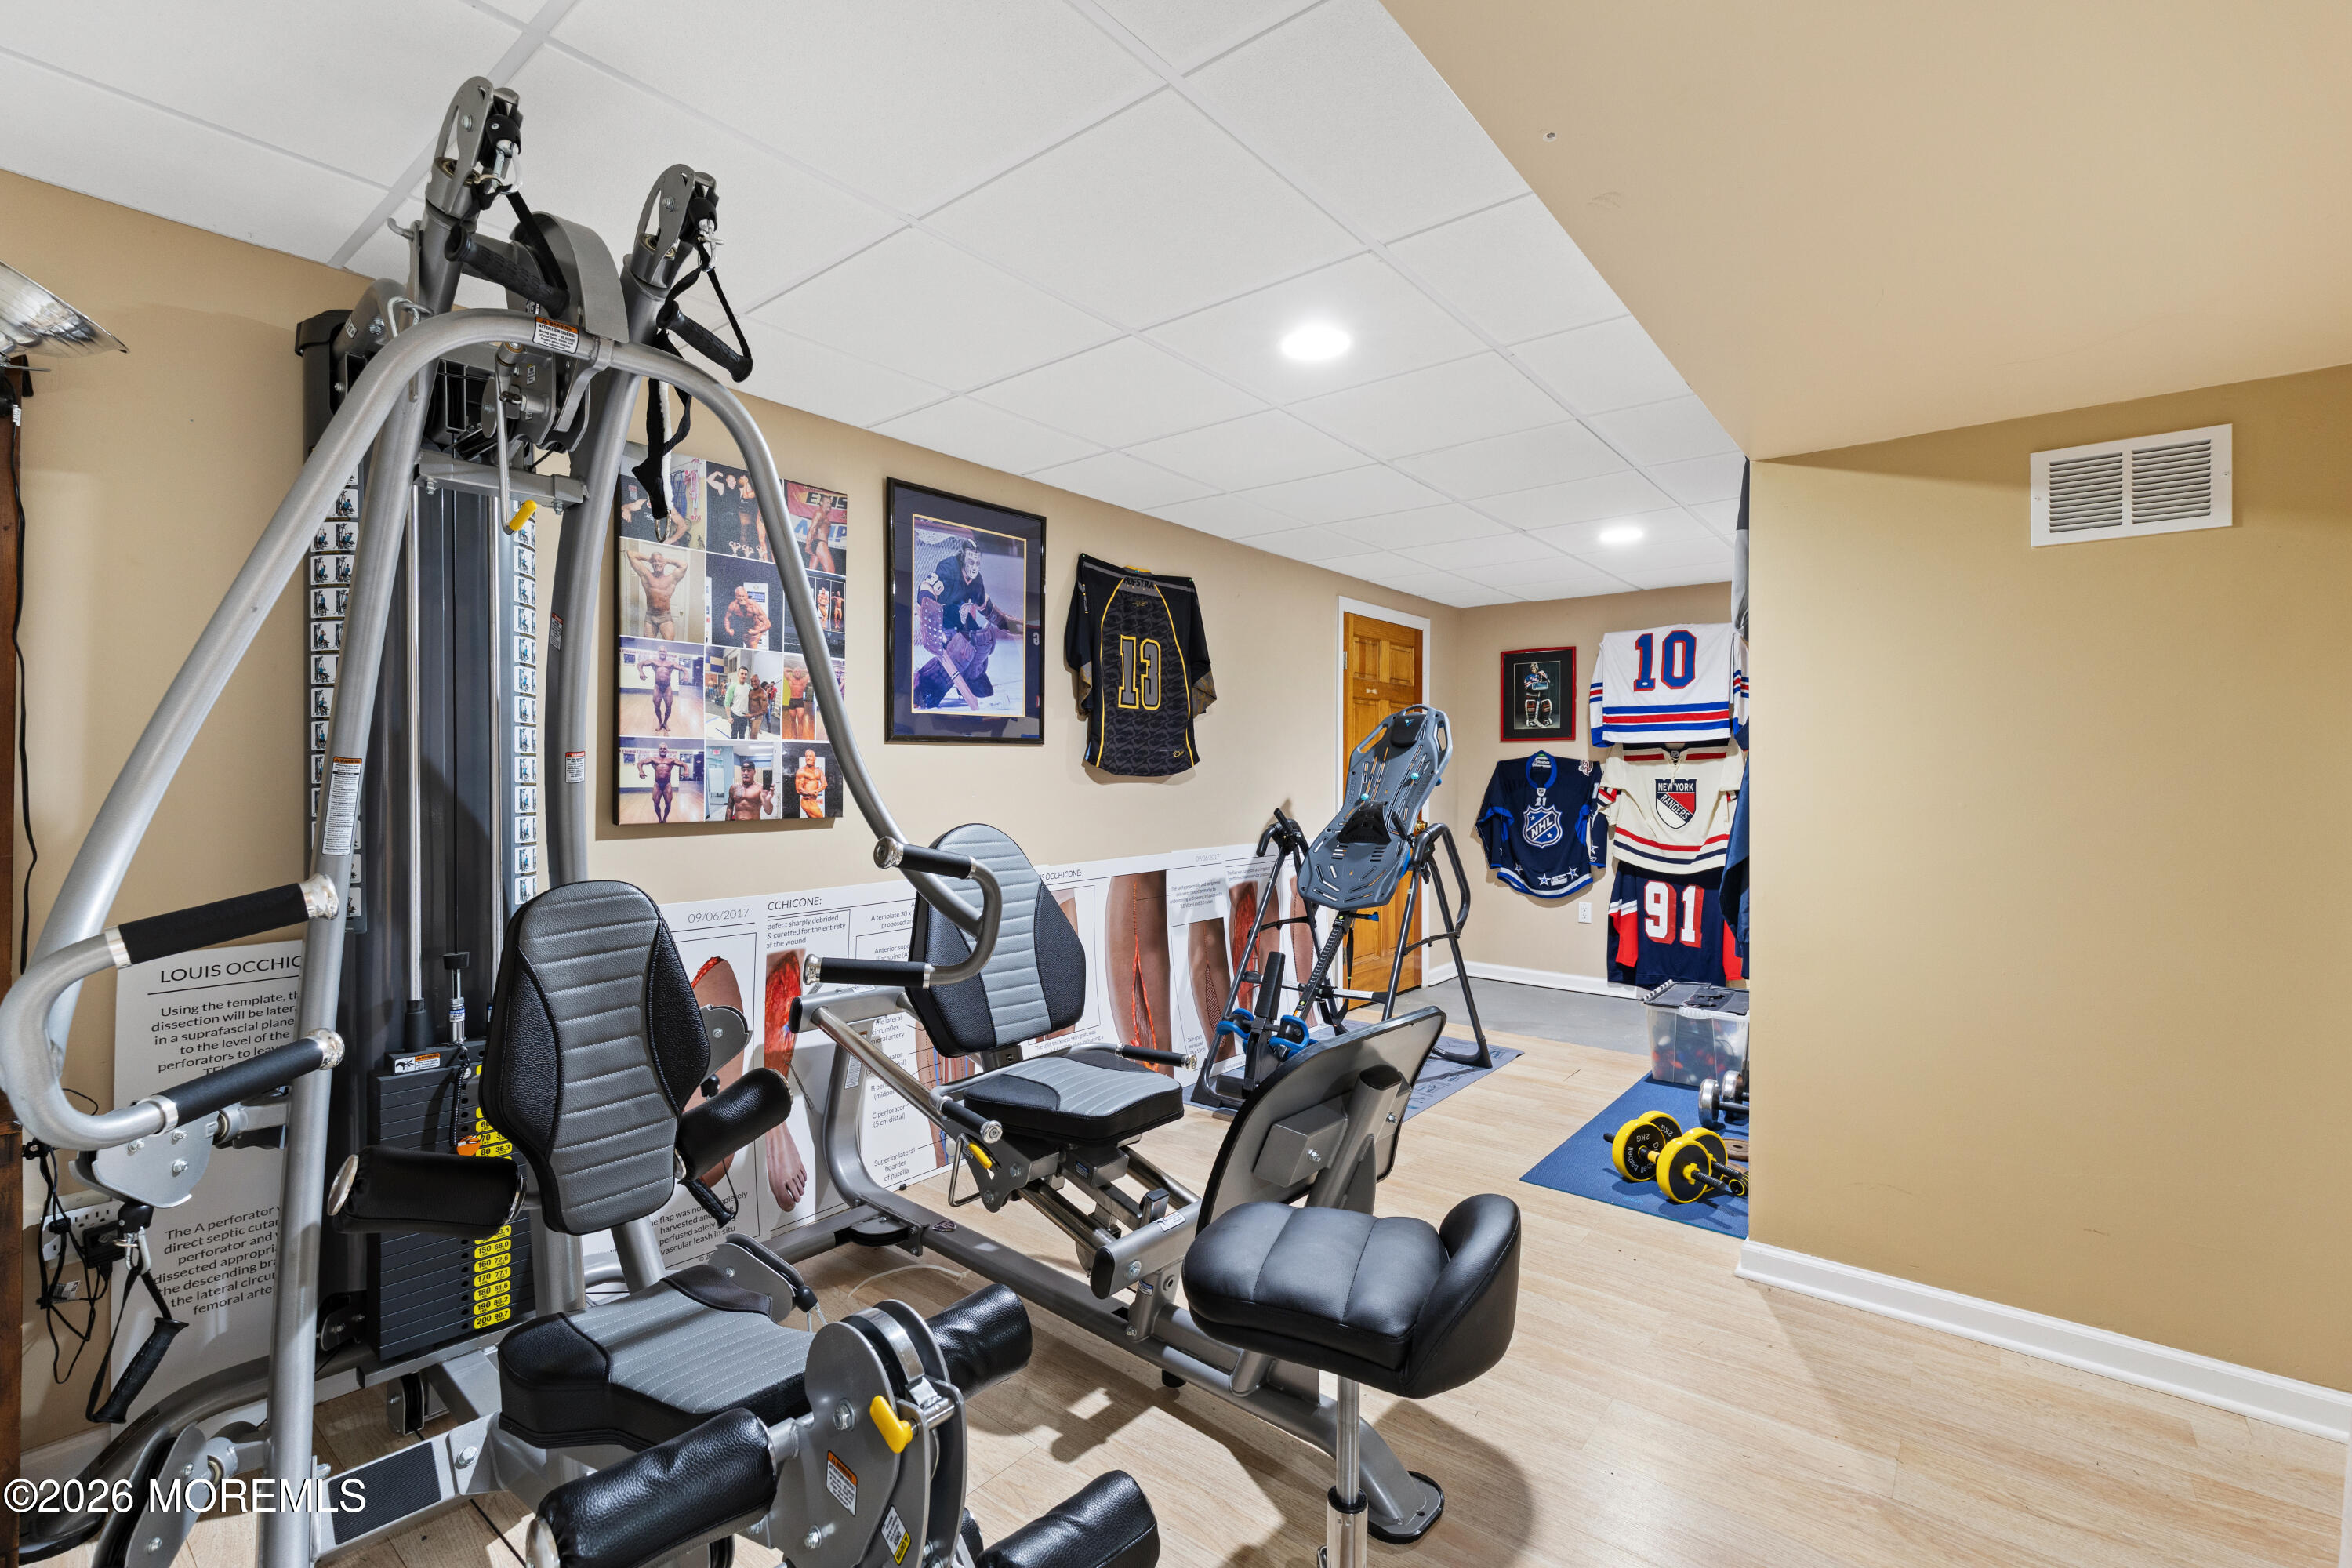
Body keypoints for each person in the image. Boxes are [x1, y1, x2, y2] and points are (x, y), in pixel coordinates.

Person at [914, 538, 1021, 711]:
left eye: (977, 562)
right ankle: (924, 686)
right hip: (944, 624)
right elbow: (927, 588)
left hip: (961, 624)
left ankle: (971, 679)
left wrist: (1009, 625)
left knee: (985, 640)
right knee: (961, 650)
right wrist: (930, 620)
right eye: (971, 561)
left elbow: (986, 608)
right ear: (963, 558)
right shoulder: (949, 569)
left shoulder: (977, 581)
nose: (974, 565)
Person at [626, 549, 688, 641]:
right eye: (655, 561)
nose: (657, 563)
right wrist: (649, 559)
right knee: (648, 645)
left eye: (660, 561)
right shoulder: (646, 575)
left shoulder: (671, 578)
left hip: (665, 617)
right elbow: (630, 554)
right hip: (650, 616)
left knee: (669, 644)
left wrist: (667, 560)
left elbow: (684, 565)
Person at [637, 744, 684, 823]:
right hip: (657, 785)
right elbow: (640, 763)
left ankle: (664, 819)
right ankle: (659, 819)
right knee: (656, 804)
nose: (663, 750)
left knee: (668, 804)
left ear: (667, 750)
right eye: (661, 748)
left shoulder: (671, 760)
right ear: (659, 750)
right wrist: (641, 771)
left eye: (664, 749)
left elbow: (683, 764)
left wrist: (686, 770)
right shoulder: (653, 759)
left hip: (667, 785)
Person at [644, 648, 683, 734]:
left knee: (669, 706)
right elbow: (640, 664)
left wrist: (686, 675)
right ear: (658, 652)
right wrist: (641, 672)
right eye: (660, 651)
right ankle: (660, 722)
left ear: (666, 653)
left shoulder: (671, 663)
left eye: (664, 651)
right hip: (657, 688)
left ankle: (665, 723)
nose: (662, 652)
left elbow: (682, 669)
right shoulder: (654, 662)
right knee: (656, 706)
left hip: (667, 688)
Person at [720, 582, 770, 648]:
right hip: (746, 627)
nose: (741, 598)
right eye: (739, 596)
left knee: (752, 644)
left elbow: (768, 624)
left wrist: (757, 631)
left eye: (743, 596)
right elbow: (727, 618)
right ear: (736, 596)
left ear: (747, 596)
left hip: (756, 626)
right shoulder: (733, 606)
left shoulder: (753, 606)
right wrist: (728, 629)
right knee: (748, 645)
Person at [726, 757, 770, 821]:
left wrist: (767, 800)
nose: (745, 773)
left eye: (749, 771)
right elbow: (729, 808)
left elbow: (769, 811)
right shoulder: (734, 787)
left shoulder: (760, 788)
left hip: (753, 826)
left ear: (754, 772)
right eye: (743, 771)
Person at [794, 749, 828, 819]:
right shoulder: (801, 771)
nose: (808, 758)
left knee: (813, 821)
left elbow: (824, 784)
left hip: (813, 801)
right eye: (807, 756)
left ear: (815, 758)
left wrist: (817, 791)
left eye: (810, 756)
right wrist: (810, 793)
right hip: (807, 801)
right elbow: (798, 790)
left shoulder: (819, 771)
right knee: (820, 819)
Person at [725, 664, 753, 740]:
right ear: (738, 674)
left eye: (746, 674)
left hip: (745, 716)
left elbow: (754, 698)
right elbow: (727, 703)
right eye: (742, 674)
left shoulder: (749, 687)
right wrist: (729, 717)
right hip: (735, 716)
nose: (744, 676)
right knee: (734, 735)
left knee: (742, 736)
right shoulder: (732, 687)